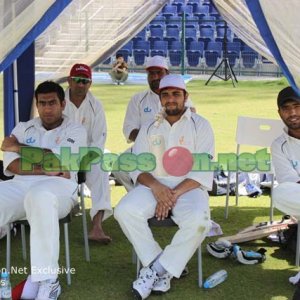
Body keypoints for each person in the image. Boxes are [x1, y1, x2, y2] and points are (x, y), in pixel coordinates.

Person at [114, 74, 214, 299]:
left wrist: (173, 194)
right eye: (165, 95)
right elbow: (138, 167)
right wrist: (158, 189)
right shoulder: (149, 127)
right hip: (153, 186)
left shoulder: (201, 126)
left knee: (200, 222)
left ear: (185, 97)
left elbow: (203, 170)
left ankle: (156, 270)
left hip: (189, 188)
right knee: (124, 211)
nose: (171, 99)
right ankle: (163, 265)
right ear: (160, 99)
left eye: (176, 94)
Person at [0, 81, 87, 299]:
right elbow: (11, 166)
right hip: (19, 186)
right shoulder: (22, 128)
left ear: (63, 104)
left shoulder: (76, 130)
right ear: (37, 105)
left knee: (40, 196)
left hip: (60, 188)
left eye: (52, 103)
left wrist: (17, 147)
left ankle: (48, 281)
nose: (47, 108)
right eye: (42, 103)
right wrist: (45, 167)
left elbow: (57, 161)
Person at [113, 55, 194, 191]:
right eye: (152, 73)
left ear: (166, 73)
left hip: (175, 148)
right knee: (120, 166)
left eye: (159, 72)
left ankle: (168, 198)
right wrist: (150, 140)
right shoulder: (138, 99)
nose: (155, 77)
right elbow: (129, 129)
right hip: (144, 150)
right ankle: (140, 196)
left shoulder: (179, 96)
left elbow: (191, 120)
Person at [64, 63, 112, 243]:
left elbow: (98, 139)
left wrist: (84, 161)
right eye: (77, 80)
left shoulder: (96, 106)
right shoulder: (58, 100)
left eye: (85, 81)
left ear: (90, 84)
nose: (80, 85)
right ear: (69, 80)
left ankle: (97, 227)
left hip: (88, 155)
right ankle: (63, 209)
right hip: (61, 154)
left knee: (100, 170)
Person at [272, 86, 300, 216]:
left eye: (297, 106)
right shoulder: (279, 145)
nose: (292, 113)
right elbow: (289, 182)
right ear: (279, 113)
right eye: (286, 108)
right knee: (279, 193)